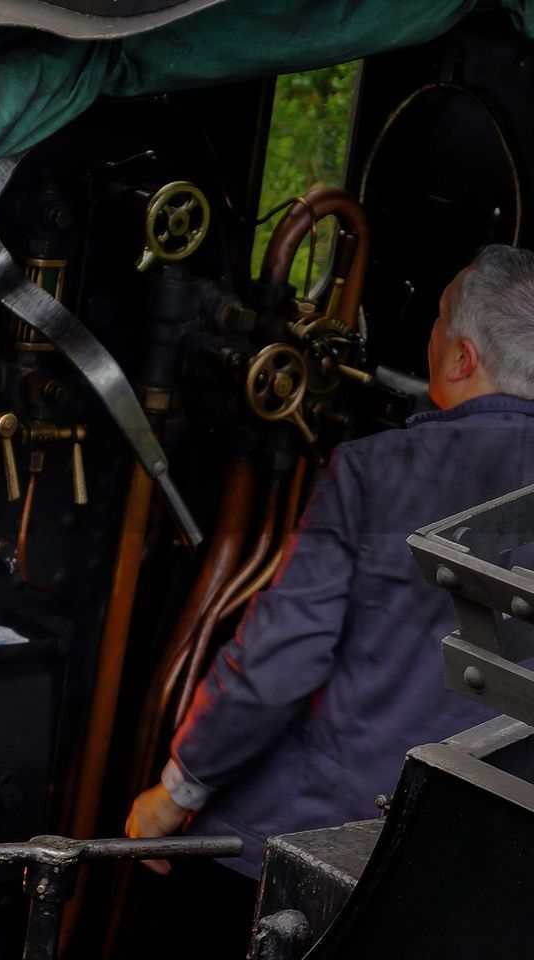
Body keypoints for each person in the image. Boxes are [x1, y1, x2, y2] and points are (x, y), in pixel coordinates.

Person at [125, 244, 534, 947]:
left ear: (462, 358)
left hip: (308, 845)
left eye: (436, 325)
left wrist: (176, 792)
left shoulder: (373, 473)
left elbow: (279, 661)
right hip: (479, 884)